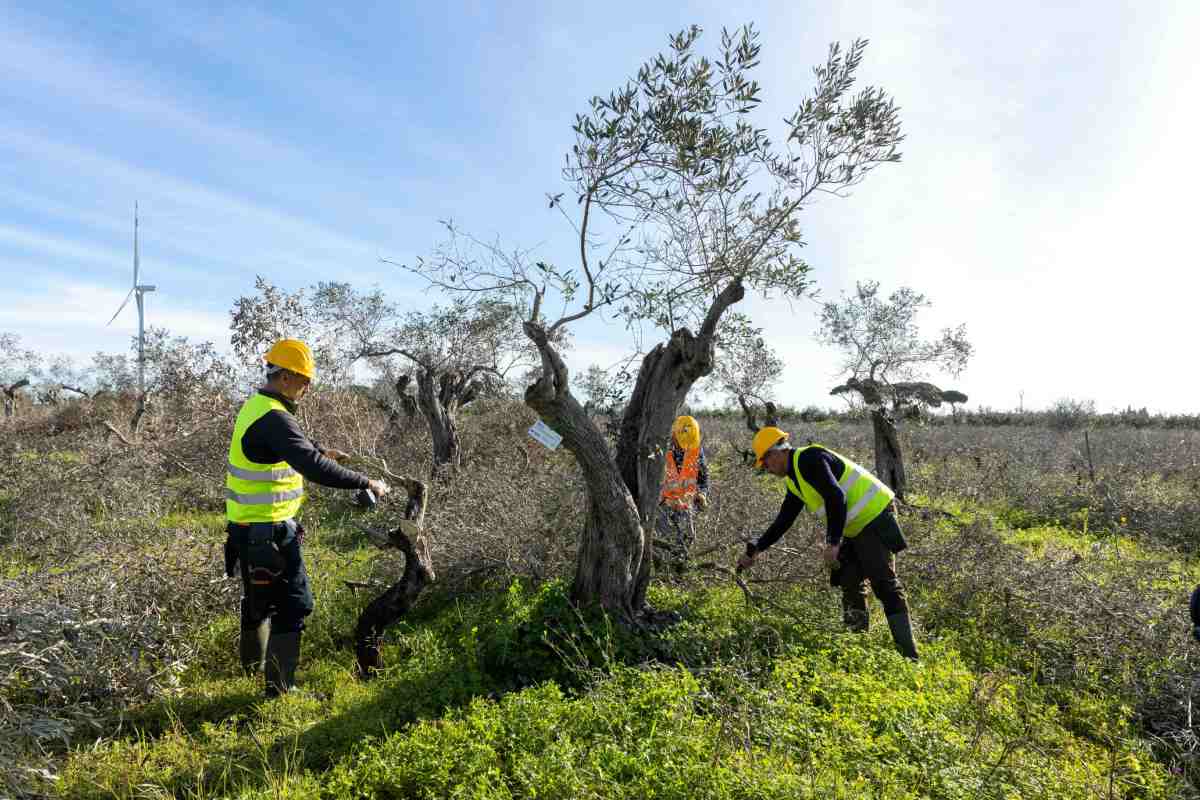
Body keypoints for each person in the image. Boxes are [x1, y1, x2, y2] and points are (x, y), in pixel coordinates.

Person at [223, 339, 391, 697]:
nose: (307, 386)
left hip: (247, 529)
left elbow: (292, 445)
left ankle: (251, 669)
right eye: (303, 379)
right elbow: (310, 465)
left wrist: (321, 449)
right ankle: (280, 692)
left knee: (258, 602)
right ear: (284, 377)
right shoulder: (273, 416)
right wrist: (368, 483)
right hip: (267, 532)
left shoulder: (258, 407)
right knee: (296, 605)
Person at [736, 426, 919, 660]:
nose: (767, 469)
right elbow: (784, 520)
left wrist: (833, 543)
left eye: (766, 463)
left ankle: (910, 658)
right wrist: (756, 549)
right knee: (850, 584)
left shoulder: (809, 459)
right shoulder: (794, 481)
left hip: (873, 517)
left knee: (884, 585)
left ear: (776, 453)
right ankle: (857, 653)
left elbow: (836, 497)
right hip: (852, 528)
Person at [656, 415, 709, 563]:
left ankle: (678, 571)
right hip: (662, 507)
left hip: (686, 507)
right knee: (663, 544)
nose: (686, 447)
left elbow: (704, 479)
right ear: (674, 434)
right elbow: (647, 479)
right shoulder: (658, 450)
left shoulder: (697, 450)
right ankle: (662, 572)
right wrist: (663, 499)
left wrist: (703, 494)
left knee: (686, 542)